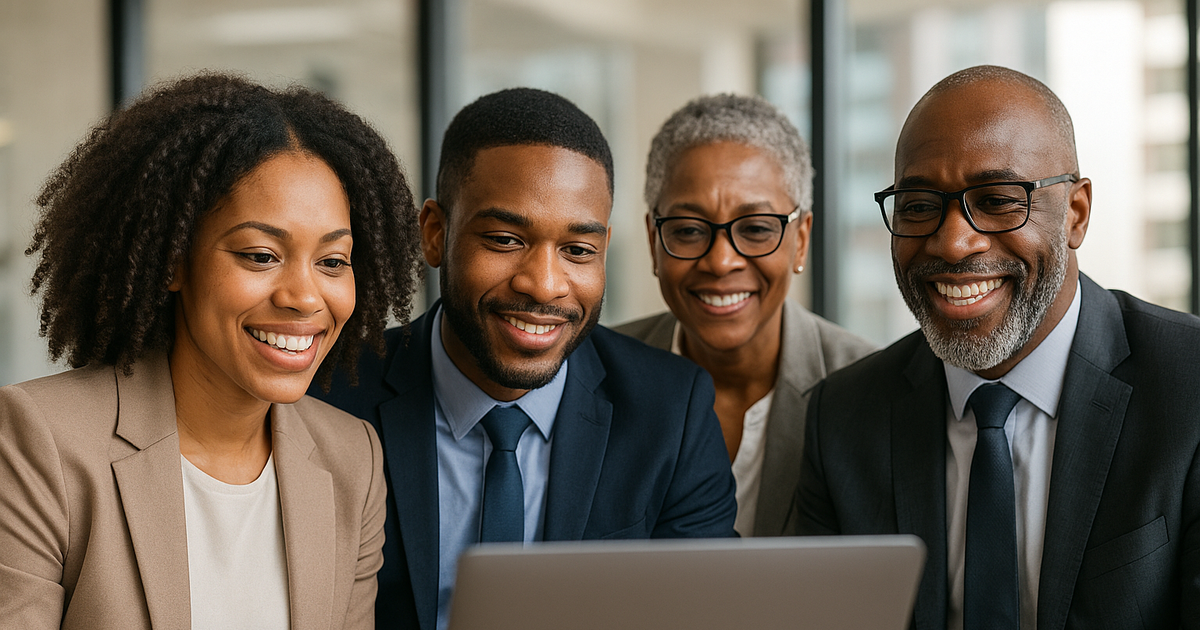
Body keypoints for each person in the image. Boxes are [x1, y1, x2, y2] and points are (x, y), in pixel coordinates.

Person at [0, 73, 424, 630]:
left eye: (332, 262)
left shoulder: (353, 459)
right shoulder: (42, 441)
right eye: (260, 255)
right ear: (174, 260)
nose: (303, 297)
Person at [310, 87, 737, 630]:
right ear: (436, 235)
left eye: (578, 250)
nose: (545, 285)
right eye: (506, 239)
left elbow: (703, 613)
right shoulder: (331, 395)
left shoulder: (671, 412)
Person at [796, 65, 1200, 629]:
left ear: (1076, 214)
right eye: (917, 205)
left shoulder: (1190, 386)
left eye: (997, 199)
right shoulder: (842, 417)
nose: (954, 242)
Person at [616, 94, 873, 537]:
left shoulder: (870, 389)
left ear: (802, 240)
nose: (721, 262)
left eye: (755, 229)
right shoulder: (596, 374)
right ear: (653, 241)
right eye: (689, 231)